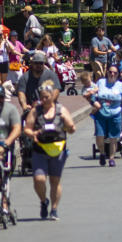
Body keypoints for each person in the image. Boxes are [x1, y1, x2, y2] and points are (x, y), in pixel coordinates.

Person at [28, 82, 76, 220]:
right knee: (39, 179)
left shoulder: (61, 110)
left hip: (57, 149)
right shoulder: (35, 111)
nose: (44, 100)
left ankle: (54, 209)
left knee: (55, 180)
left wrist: (69, 126)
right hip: (40, 149)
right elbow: (27, 128)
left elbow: (71, 128)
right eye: (41, 97)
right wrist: (33, 134)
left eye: (46, 97)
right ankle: (44, 201)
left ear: (52, 97)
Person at [87, 64, 122, 168]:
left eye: (115, 72)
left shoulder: (120, 85)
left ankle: (111, 158)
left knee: (113, 137)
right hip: (101, 113)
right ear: (107, 72)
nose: (112, 74)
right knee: (100, 135)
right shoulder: (100, 82)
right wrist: (93, 101)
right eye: (110, 72)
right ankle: (103, 153)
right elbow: (92, 94)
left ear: (117, 75)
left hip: (115, 114)